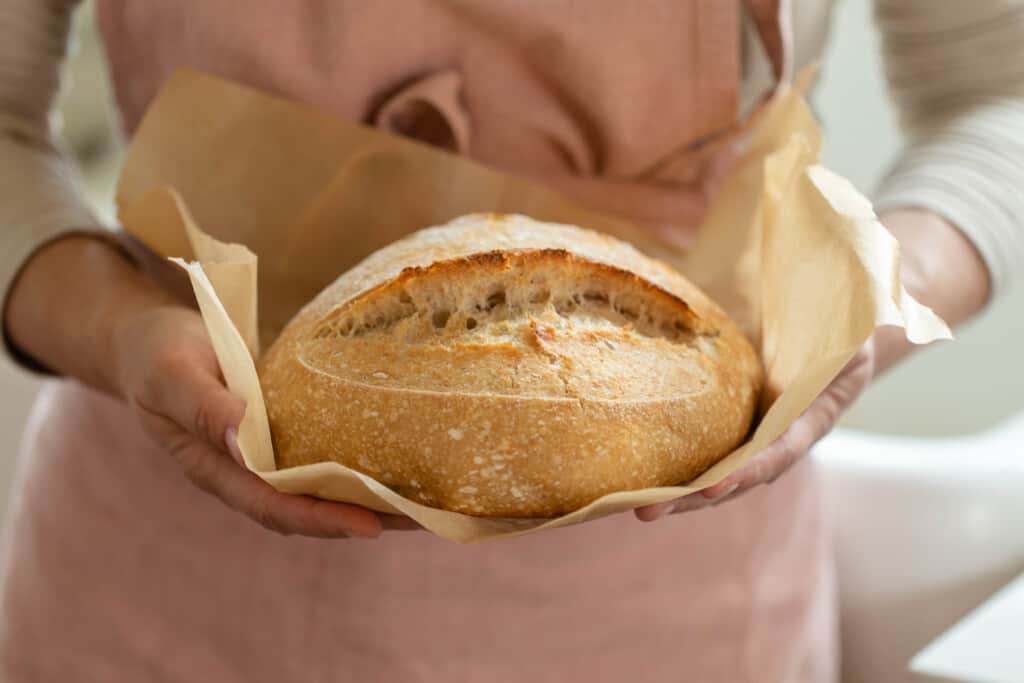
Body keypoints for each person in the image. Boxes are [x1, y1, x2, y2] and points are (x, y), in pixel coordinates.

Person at [0, 1, 1011, 680]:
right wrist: (121, 330)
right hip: (157, 582)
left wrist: (849, 315)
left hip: (669, 605)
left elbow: (1000, 89)